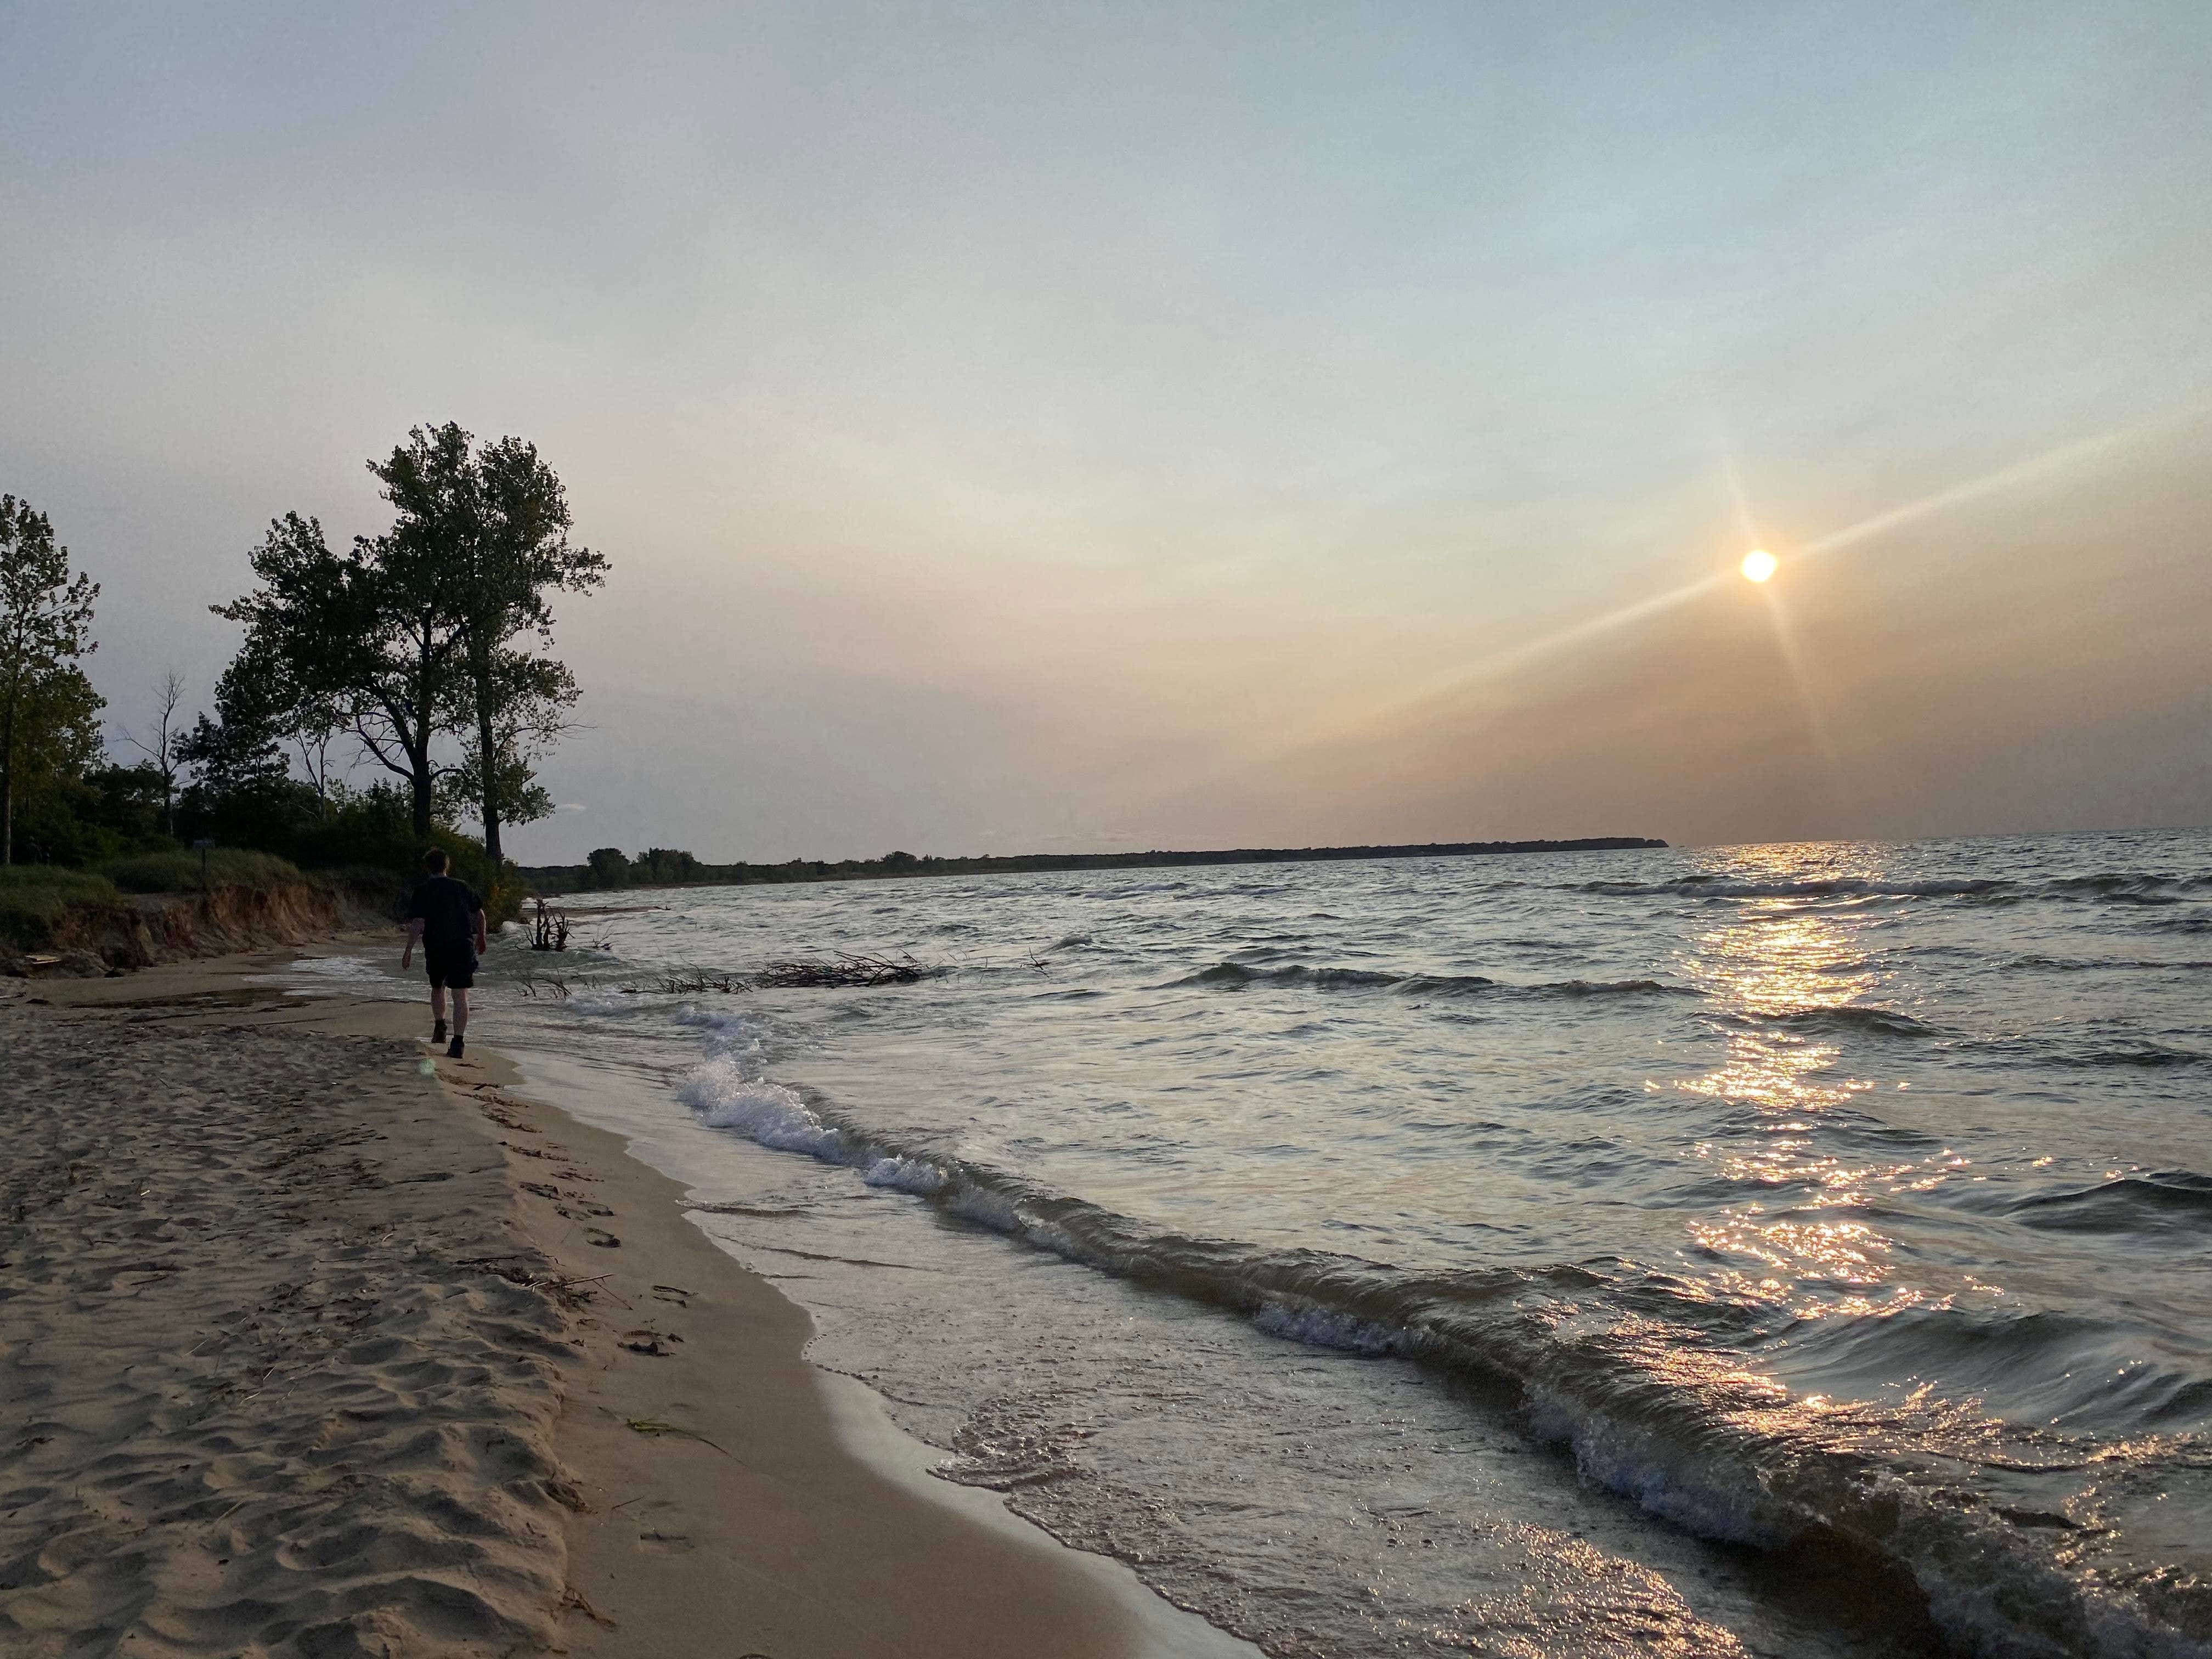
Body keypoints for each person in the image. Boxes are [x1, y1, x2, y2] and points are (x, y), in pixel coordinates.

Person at [402, 848, 488, 1059]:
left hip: (436, 946)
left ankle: (440, 1027)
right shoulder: (462, 886)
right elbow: (480, 914)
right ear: (446, 865)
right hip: (462, 945)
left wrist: (408, 951)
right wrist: (482, 936)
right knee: (461, 994)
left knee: (437, 987)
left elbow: (418, 923)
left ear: (427, 867)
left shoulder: (423, 890)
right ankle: (458, 1042)